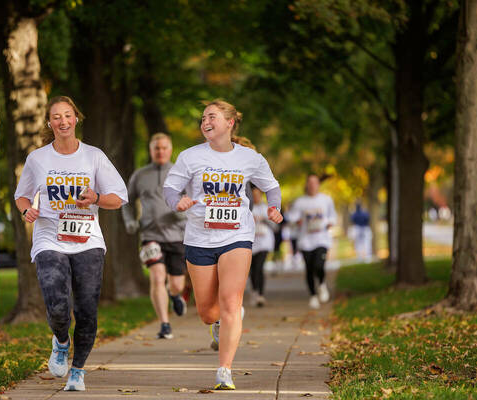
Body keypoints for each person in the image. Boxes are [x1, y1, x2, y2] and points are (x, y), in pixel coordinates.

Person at [163, 99, 283, 390]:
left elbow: (271, 185)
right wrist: (177, 202)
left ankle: (224, 370)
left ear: (230, 123)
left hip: (237, 236)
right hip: (199, 238)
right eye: (203, 117)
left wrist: (274, 207)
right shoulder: (190, 157)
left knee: (232, 302)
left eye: (212, 117)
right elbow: (170, 188)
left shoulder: (249, 158)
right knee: (208, 312)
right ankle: (217, 326)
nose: (205, 121)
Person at [14, 96, 128, 392]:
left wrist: (97, 198)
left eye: (68, 115)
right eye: (56, 117)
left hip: (88, 240)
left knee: (87, 309)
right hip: (49, 237)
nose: (63, 121)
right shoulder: (38, 159)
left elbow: (118, 197)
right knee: (57, 303)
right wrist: (28, 210)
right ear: (49, 123)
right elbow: (21, 196)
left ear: (76, 118)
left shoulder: (94, 156)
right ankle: (61, 341)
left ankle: (78, 370)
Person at [121, 132, 188, 339]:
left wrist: (183, 213)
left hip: (177, 235)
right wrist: (130, 221)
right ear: (151, 151)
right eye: (156, 148)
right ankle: (164, 324)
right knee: (157, 277)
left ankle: (174, 294)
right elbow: (127, 200)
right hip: (150, 234)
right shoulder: (140, 175)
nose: (160, 151)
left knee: (176, 284)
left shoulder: (181, 173)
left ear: (170, 150)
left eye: (164, 148)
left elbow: (193, 199)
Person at [287, 174, 336, 310]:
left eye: (315, 183)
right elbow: (291, 217)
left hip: (322, 239)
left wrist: (329, 223)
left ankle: (321, 284)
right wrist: (297, 220)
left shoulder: (326, 200)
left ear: (318, 185)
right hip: (306, 240)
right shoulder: (300, 202)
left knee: (319, 265)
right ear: (307, 185)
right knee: (309, 268)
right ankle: (313, 296)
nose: (313, 185)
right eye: (310, 183)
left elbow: (332, 216)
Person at [249, 186, 275, 307]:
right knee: (252, 270)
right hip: (251, 243)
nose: (256, 198)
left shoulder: (267, 208)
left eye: (257, 195)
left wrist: (264, 219)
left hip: (264, 243)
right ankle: (254, 290)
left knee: (259, 267)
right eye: (253, 196)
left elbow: (276, 226)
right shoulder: (247, 208)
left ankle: (260, 294)